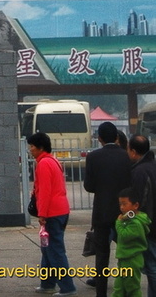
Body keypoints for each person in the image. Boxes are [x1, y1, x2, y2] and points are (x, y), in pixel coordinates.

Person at [83, 121, 131, 297]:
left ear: (99, 138)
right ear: (117, 137)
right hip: (123, 212)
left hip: (101, 212)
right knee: (125, 253)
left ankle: (101, 293)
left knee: (102, 256)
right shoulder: (126, 156)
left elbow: (89, 186)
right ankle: (125, 289)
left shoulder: (93, 157)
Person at [27, 131, 77, 297]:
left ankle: (67, 287)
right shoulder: (53, 161)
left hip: (52, 213)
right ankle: (47, 283)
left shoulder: (43, 164)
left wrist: (42, 214)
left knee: (54, 250)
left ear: (40, 147)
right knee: (47, 248)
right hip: (60, 210)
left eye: (32, 147)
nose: (30, 150)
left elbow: (45, 192)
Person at [128, 134, 156, 297]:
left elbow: (139, 201)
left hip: (149, 226)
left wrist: (133, 220)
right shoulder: (152, 166)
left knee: (151, 267)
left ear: (133, 152)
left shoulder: (140, 171)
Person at [111, 187, 150, 297]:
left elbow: (123, 236)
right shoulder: (128, 219)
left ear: (135, 205)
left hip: (132, 259)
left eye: (125, 204)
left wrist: (118, 223)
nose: (122, 207)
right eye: (120, 204)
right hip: (124, 258)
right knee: (119, 287)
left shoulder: (136, 223)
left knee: (132, 288)